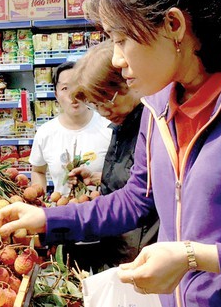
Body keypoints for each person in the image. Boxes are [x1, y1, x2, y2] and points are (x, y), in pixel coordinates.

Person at [0, 0, 221, 306]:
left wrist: (196, 257)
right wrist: (47, 219)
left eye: (121, 39)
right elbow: (137, 199)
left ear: (173, 25)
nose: (116, 58)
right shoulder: (158, 108)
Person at [61, 40, 159, 272]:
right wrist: (99, 178)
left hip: (141, 256)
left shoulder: (152, 125)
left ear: (128, 82)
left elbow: (140, 199)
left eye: (107, 101)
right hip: (118, 250)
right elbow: (133, 176)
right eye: (96, 105)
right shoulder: (122, 124)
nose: (104, 112)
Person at [29, 61, 111, 194]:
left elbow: (123, 176)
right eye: (65, 88)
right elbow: (38, 171)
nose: (73, 95)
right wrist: (40, 199)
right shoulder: (45, 133)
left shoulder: (108, 127)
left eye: (77, 86)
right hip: (62, 210)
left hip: (101, 211)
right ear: (56, 95)